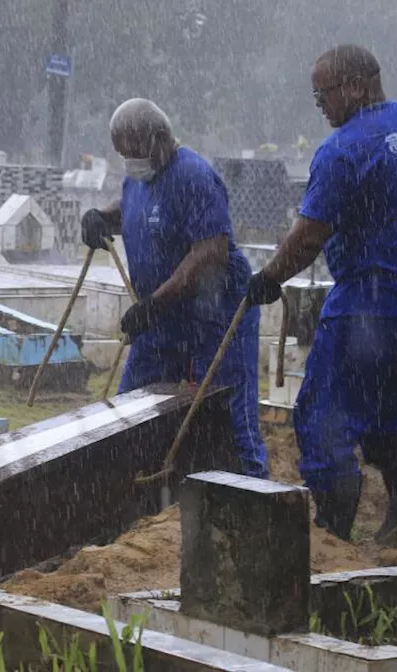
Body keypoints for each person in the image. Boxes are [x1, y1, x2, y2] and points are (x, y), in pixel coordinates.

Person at [244, 45, 397, 542]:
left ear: (357, 86)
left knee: (323, 418)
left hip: (367, 309)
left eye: (323, 93)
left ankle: (333, 533)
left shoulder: (344, 149)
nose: (318, 103)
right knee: (382, 406)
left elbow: (309, 235)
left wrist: (269, 277)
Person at [81, 99, 267, 479]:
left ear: (161, 138)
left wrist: (154, 303)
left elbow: (210, 253)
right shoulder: (140, 176)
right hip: (162, 321)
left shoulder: (195, 177)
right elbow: (136, 206)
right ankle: (138, 497)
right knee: (131, 410)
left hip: (214, 318)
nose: (131, 162)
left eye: (135, 153)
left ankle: (251, 494)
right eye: (123, 155)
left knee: (227, 414)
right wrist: (102, 217)